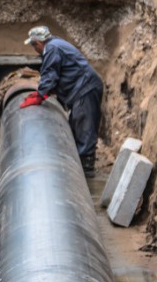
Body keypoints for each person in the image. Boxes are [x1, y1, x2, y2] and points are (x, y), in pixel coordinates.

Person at [20, 26, 104, 177]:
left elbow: (50, 74)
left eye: (34, 46)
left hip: (85, 88)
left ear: (37, 43)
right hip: (82, 88)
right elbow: (61, 72)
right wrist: (48, 92)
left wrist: (40, 95)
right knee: (77, 125)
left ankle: (86, 168)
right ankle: (80, 161)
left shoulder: (52, 49)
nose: (35, 50)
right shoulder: (56, 44)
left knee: (84, 126)